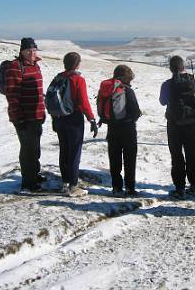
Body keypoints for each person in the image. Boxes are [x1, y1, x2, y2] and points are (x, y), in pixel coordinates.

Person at [53, 52, 98, 197]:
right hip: (74, 118)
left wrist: (54, 118)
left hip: (59, 118)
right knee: (74, 151)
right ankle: (73, 185)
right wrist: (91, 119)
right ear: (77, 64)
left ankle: (65, 182)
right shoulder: (78, 79)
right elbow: (83, 102)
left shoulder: (58, 77)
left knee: (64, 150)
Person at [5, 37, 47, 192]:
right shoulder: (15, 67)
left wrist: (42, 110)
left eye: (34, 50)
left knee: (34, 148)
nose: (32, 53)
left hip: (36, 115)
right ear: (22, 51)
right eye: (29, 51)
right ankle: (28, 184)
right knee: (28, 150)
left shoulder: (35, 65)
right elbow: (12, 94)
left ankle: (34, 174)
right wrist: (19, 117)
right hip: (24, 117)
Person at [159, 55, 195, 199]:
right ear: (183, 67)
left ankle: (179, 188)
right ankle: (194, 186)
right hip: (190, 124)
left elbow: (162, 102)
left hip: (174, 124)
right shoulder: (192, 81)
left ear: (171, 68)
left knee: (176, 156)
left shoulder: (167, 84)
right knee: (192, 155)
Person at [106, 65, 142, 197]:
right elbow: (136, 111)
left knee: (114, 158)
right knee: (129, 159)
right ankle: (130, 188)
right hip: (128, 129)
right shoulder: (127, 91)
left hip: (112, 128)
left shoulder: (108, 89)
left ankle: (116, 187)